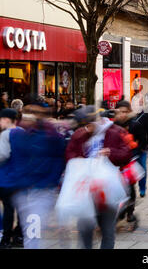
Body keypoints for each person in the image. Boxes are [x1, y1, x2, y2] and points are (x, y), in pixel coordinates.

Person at [0, 102, 66, 249]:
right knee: (28, 230)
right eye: (26, 113)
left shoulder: (51, 137)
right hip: (23, 190)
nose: (28, 117)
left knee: (32, 233)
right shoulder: (19, 136)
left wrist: (49, 183)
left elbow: (57, 161)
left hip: (40, 190)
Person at [65, 105, 132, 249]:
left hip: (107, 189)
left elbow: (127, 154)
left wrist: (111, 152)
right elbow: (69, 155)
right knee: (84, 231)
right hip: (85, 190)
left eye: (90, 124)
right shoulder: (79, 135)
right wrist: (80, 162)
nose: (87, 128)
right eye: (85, 125)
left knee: (107, 230)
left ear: (99, 121)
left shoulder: (115, 132)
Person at [115, 100, 148, 224]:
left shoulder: (135, 124)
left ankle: (130, 212)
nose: (122, 114)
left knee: (129, 187)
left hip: (131, 160)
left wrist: (135, 153)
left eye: (125, 112)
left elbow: (143, 141)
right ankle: (121, 211)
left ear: (128, 112)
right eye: (120, 112)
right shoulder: (115, 125)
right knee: (119, 187)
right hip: (118, 161)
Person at [0, 109, 23, 248]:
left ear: (7, 120)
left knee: (8, 209)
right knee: (20, 209)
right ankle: (19, 236)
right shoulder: (23, 132)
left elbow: (2, 155)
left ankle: (6, 238)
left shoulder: (5, 134)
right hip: (21, 179)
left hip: (7, 178)